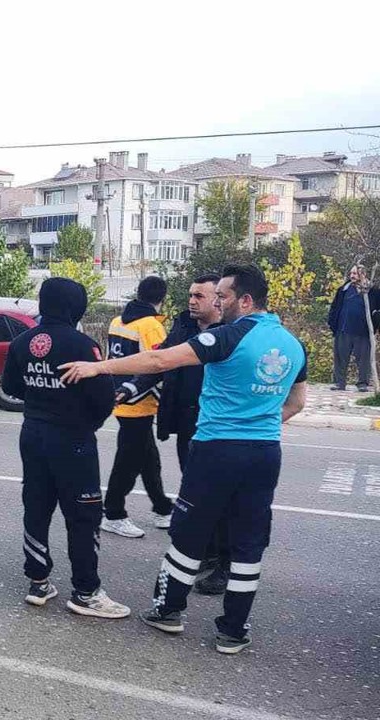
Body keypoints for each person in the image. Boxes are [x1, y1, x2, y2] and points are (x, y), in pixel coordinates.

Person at [60, 264, 307, 655]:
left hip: (216, 450)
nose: (217, 303)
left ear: (245, 300)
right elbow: (297, 402)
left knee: (189, 531)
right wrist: (257, 423)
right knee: (248, 542)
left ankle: (167, 611)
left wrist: (99, 366)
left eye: (223, 296)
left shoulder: (227, 336)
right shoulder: (293, 344)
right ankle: (233, 630)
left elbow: (159, 361)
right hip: (264, 452)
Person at [1, 277, 130, 619]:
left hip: (33, 434)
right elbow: (103, 398)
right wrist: (86, 421)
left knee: (36, 505)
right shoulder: (83, 346)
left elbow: (11, 386)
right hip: (73, 439)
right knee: (84, 514)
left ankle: (38, 581)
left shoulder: (22, 341)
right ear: (76, 306)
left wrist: (41, 395)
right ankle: (86, 591)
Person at [122, 274, 229, 594]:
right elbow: (159, 361)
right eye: (191, 295)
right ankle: (209, 551)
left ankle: (226, 564)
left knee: (220, 497)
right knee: (194, 491)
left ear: (218, 300)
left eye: (199, 296)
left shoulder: (232, 333)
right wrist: (131, 387)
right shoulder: (183, 326)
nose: (191, 300)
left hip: (220, 428)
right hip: (187, 424)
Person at [100, 276, 172, 539]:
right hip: (139, 401)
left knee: (148, 458)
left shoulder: (117, 321)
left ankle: (162, 507)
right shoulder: (151, 326)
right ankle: (113, 513)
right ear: (162, 297)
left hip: (120, 396)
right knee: (128, 462)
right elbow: (158, 364)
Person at [327, 264, 380, 392]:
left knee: (364, 360)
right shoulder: (343, 290)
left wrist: (375, 325)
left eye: (355, 273)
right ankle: (339, 383)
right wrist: (332, 324)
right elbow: (334, 308)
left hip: (363, 332)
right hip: (343, 329)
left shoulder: (372, 291)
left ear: (363, 274)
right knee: (340, 358)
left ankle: (362, 383)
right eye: (351, 273)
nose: (352, 276)